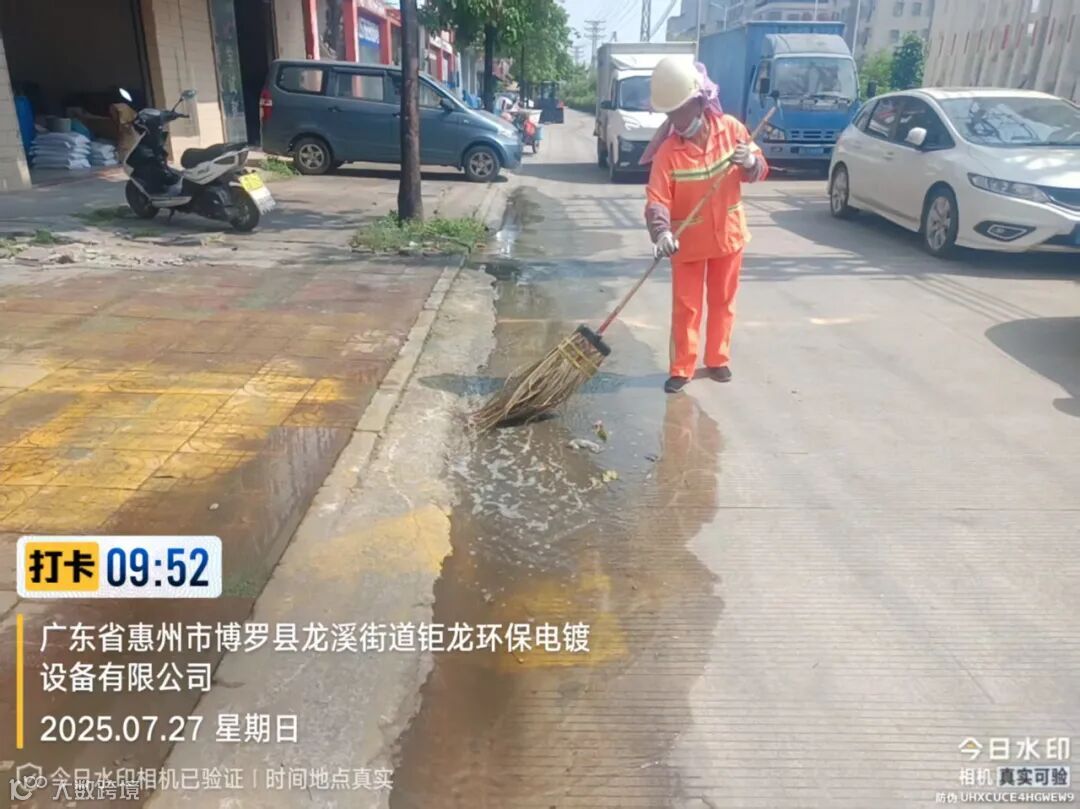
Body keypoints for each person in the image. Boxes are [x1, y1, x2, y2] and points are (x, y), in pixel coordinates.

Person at [641, 57, 768, 394]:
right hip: (687, 244)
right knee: (686, 307)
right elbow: (656, 198)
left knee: (724, 301)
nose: (677, 121)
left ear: (699, 102)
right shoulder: (668, 152)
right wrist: (662, 232)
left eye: (681, 111)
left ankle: (717, 359)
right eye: (671, 115)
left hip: (729, 235)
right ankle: (682, 367)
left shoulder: (733, 130)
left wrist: (750, 161)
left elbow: (759, 170)